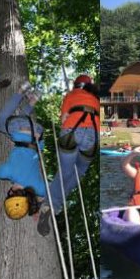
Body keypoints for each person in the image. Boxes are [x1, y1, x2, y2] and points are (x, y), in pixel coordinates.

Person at [0, 82, 48, 227]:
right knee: (0, 123)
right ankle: (21, 91)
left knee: (20, 120)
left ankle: (32, 100)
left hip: (38, 134)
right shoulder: (8, 172)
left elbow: (53, 194)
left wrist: (39, 208)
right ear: (10, 193)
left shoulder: (38, 188)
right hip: (21, 130)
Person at [46, 74, 100, 220]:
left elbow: (63, 119)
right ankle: (55, 202)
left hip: (72, 130)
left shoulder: (71, 95)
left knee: (65, 172)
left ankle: (51, 204)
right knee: (79, 172)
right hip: (92, 137)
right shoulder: (96, 99)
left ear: (76, 85)